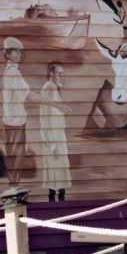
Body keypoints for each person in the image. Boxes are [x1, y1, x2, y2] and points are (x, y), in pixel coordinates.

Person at [35, 62, 71, 202]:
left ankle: (61, 202)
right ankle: (54, 205)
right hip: (52, 140)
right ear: (51, 73)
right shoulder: (48, 89)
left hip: (58, 137)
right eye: (59, 74)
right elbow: (44, 119)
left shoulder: (54, 89)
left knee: (60, 177)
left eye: (63, 74)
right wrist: (52, 145)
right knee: (54, 178)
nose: (62, 77)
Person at [0, 36, 31, 186]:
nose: (19, 54)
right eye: (16, 52)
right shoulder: (13, 73)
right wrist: (51, 101)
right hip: (16, 121)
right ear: (8, 54)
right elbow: (27, 95)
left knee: (12, 153)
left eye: (19, 52)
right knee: (17, 154)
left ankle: (13, 183)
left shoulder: (10, 71)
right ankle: (15, 184)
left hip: (10, 119)